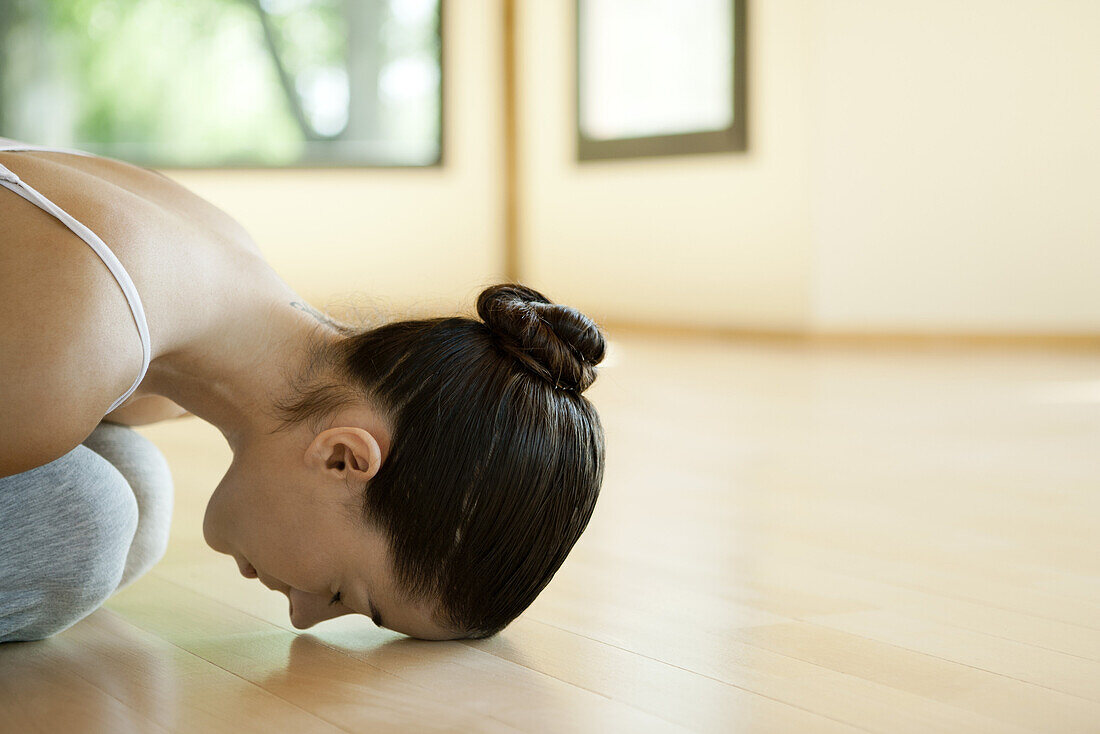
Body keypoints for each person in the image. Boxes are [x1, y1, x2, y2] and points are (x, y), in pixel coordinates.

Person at [0, 139, 606, 642]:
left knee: (135, 487)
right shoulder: (72, 343)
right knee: (83, 519)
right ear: (343, 457)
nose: (303, 616)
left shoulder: (208, 286)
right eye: (344, 593)